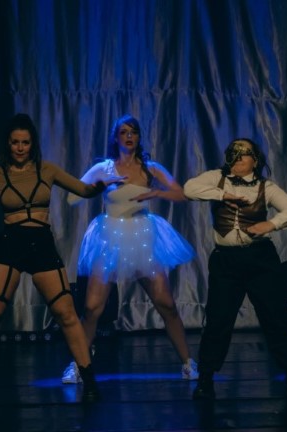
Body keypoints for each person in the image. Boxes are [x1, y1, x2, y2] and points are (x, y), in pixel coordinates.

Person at [0, 113, 116, 405]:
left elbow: (84, 190)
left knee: (66, 313)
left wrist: (101, 185)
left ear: (32, 144)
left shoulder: (47, 170)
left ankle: (89, 381)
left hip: (40, 244)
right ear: (8, 143)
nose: (20, 148)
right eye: (15, 142)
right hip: (11, 244)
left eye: (25, 142)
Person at [61, 114, 198, 384]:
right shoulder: (104, 168)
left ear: (138, 137)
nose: (129, 136)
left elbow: (181, 193)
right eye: (123, 132)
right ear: (116, 138)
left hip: (142, 236)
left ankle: (187, 362)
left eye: (133, 132)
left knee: (166, 304)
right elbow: (71, 198)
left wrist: (157, 193)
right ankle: (79, 364)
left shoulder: (150, 168)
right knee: (92, 308)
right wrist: (99, 186)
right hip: (110, 236)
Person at [183, 138, 287, 400]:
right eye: (233, 152)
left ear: (255, 160)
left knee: (275, 318)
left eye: (244, 153)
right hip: (226, 261)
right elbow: (189, 189)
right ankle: (206, 378)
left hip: (260, 259)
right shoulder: (217, 178)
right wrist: (222, 195)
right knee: (218, 320)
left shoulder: (265, 186)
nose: (238, 157)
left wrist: (271, 224)